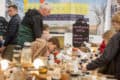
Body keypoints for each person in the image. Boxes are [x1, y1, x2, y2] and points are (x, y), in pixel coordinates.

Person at [82, 12, 120, 79]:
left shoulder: (117, 37)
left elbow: (106, 57)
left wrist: (88, 66)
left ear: (118, 23)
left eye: (114, 24)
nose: (114, 27)